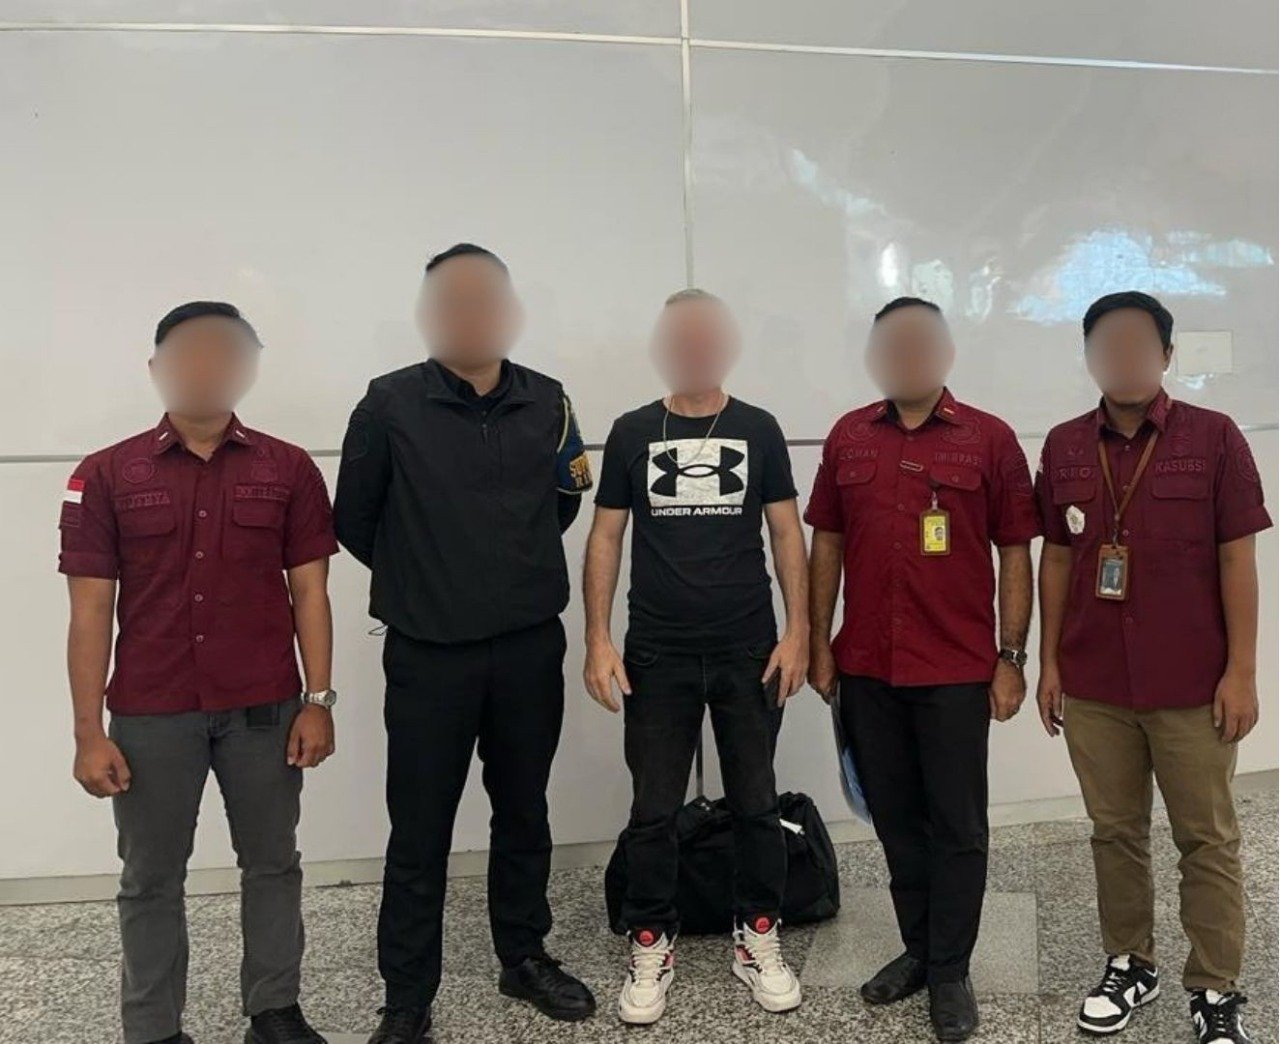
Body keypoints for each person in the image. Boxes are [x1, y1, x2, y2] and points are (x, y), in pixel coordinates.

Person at [333, 243, 596, 1043]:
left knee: (524, 810)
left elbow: (564, 501)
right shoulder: (388, 404)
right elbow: (355, 520)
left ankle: (525, 956)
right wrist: (429, 577)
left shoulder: (549, 400)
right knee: (420, 828)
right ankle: (407, 995)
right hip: (429, 652)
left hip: (527, 647)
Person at [59, 301, 339, 1044]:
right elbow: (90, 612)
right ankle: (153, 1027)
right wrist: (88, 732)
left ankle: (274, 1013)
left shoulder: (289, 468)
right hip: (152, 711)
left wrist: (318, 700)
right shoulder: (105, 474)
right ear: (158, 369)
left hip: (265, 708)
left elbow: (310, 592)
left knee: (273, 864)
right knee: (150, 878)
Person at [1035, 291, 1270, 1044]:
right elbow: (1058, 558)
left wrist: (1242, 672)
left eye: (1140, 345)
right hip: (1096, 680)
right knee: (1115, 831)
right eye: (1108, 345)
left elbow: (1238, 560)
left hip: (1191, 683)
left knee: (1207, 839)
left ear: (1167, 355)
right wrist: (1048, 662)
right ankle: (1131, 963)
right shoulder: (1065, 445)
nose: (1124, 358)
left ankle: (1215, 987)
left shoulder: (1215, 437)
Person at [806, 297, 1038, 1042]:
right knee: (898, 821)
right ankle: (918, 948)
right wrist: (818, 642)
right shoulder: (848, 435)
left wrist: (1011, 657)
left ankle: (950, 970)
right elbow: (826, 543)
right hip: (867, 665)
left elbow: (1015, 552)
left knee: (958, 826)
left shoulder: (990, 439)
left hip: (956, 669)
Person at [583, 288, 809, 1025]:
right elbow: (606, 536)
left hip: (749, 650)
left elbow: (786, 533)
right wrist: (597, 639)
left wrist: (799, 632)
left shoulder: (758, 428)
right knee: (652, 810)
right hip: (658, 653)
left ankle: (758, 934)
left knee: (756, 804)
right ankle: (651, 939)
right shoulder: (631, 431)